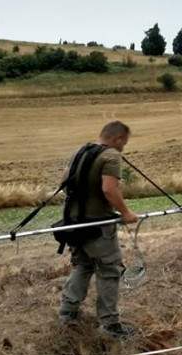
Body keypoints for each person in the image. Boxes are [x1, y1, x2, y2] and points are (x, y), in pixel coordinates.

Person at [58, 121, 139, 337]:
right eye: (124, 142)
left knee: (82, 266)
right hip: (98, 226)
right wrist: (125, 213)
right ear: (118, 138)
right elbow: (109, 189)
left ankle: (67, 314)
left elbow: (63, 182)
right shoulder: (111, 156)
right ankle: (110, 324)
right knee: (110, 269)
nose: (123, 147)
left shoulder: (79, 151)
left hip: (74, 224)